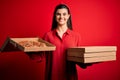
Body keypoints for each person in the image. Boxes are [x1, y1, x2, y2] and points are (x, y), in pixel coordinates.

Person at [43, 4, 81, 80]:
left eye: (64, 14)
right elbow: (40, 56)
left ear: (68, 16)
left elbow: (79, 58)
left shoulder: (76, 36)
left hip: (70, 77)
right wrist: (27, 50)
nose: (61, 17)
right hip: (52, 77)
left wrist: (88, 61)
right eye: (58, 14)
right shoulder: (48, 36)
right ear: (55, 16)